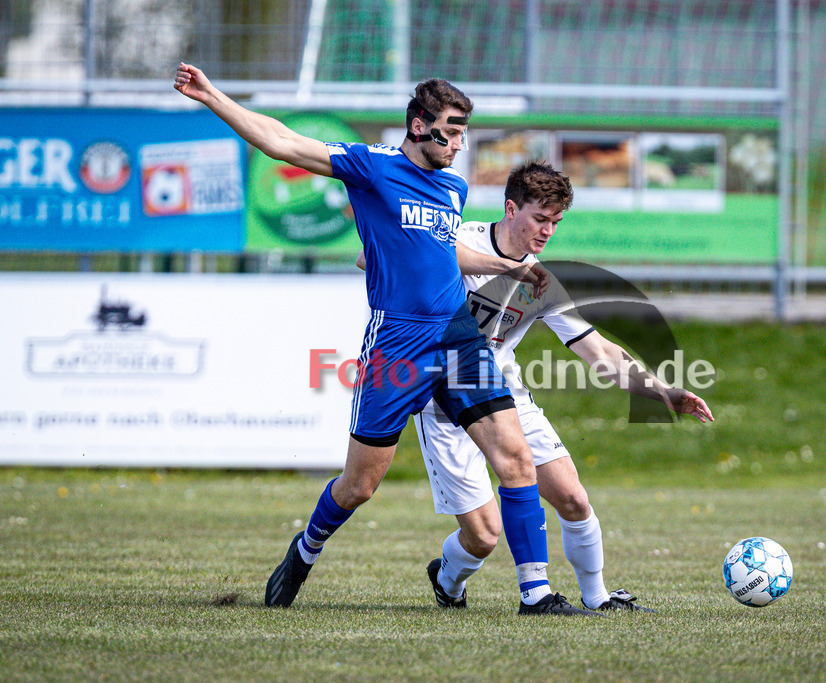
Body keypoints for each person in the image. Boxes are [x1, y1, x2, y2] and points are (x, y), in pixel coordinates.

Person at [173, 64, 597, 616]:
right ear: (420, 126)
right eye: (453, 127)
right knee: (360, 485)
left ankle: (536, 594)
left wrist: (504, 267)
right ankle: (305, 550)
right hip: (397, 342)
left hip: (456, 337)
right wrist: (213, 97)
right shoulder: (372, 167)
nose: (460, 141)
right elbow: (281, 142)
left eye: (466, 130)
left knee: (516, 458)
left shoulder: (453, 186)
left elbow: (442, 250)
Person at [413, 161, 714, 611]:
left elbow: (600, 352)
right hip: (446, 399)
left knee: (573, 497)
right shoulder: (460, 239)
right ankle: (448, 580)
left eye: (556, 221)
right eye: (540, 218)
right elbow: (413, 254)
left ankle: (596, 597)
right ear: (511, 208)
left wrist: (665, 392)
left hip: (504, 394)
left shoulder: (543, 283)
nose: (548, 230)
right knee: (483, 536)